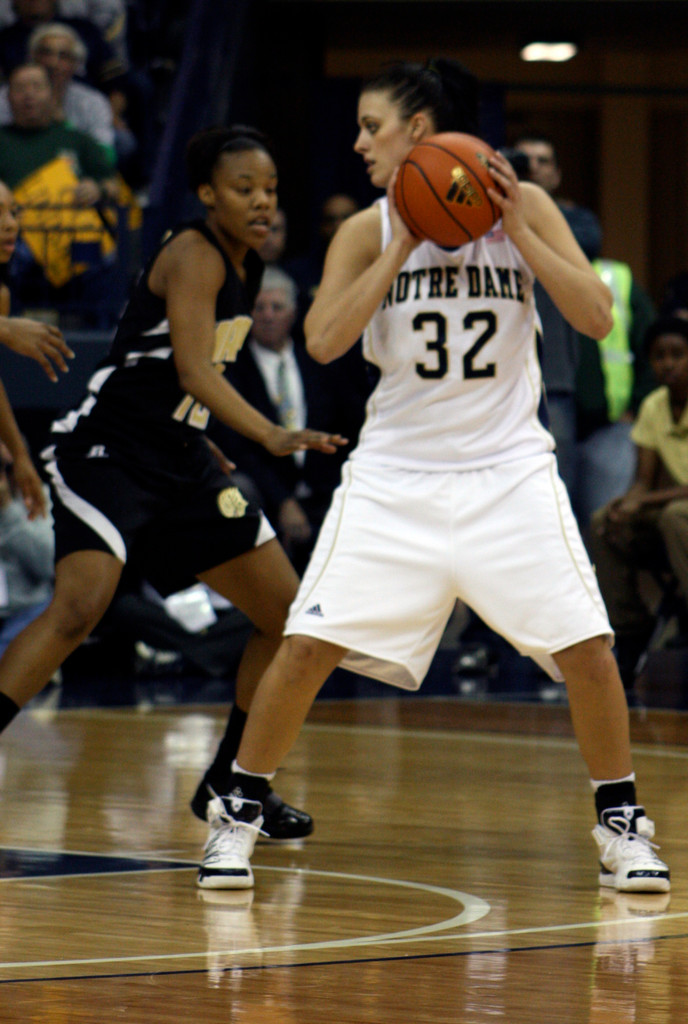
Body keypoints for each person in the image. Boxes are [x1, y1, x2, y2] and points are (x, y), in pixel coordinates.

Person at [193, 59, 670, 895]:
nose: (358, 141)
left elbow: (595, 316)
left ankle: (621, 824)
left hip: (508, 470)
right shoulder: (367, 229)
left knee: (589, 650)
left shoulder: (528, 207)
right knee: (306, 646)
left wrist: (518, 227)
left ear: (420, 130)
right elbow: (325, 340)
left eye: (372, 125)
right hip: (396, 475)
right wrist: (404, 241)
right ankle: (235, 816)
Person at [0, 125, 347, 845]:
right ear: (206, 195)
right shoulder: (194, 252)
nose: (262, 202)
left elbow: (186, 386)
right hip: (111, 450)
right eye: (244, 189)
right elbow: (194, 369)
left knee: (287, 617)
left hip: (180, 458)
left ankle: (232, 783)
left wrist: (208, 440)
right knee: (78, 609)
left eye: (271, 190)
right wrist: (268, 434)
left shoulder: (247, 266)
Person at [207, 266, 355, 575]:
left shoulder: (320, 361)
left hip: (324, 491)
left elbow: (347, 428)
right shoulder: (232, 370)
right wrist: (284, 500)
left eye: (277, 307)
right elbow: (237, 447)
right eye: (259, 308)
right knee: (233, 490)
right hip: (265, 494)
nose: (268, 315)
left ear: (293, 312)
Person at [589, 316, 688, 691]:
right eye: (659, 356)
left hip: (679, 515)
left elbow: (657, 495)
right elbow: (643, 481)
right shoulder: (653, 406)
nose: (668, 363)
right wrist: (625, 504)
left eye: (678, 354)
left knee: (676, 515)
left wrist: (646, 500)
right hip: (672, 518)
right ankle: (631, 627)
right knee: (603, 520)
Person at [512, 133, 602, 503]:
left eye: (543, 160)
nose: (533, 166)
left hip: (555, 379)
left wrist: (529, 214)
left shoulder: (576, 221)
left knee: (558, 492)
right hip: (502, 382)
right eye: (524, 159)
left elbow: (586, 246)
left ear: (557, 175)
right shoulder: (483, 216)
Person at [574, 257, 657, 535]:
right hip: (547, 428)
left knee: (604, 526)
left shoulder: (615, 278)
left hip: (612, 427)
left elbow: (654, 347)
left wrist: (635, 407)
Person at [0, 22, 117, 155]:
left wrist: (63, 126)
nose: (53, 63)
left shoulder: (92, 102)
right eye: (46, 53)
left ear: (76, 64)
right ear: (31, 57)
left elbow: (106, 156)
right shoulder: (6, 97)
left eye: (64, 56)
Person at [0, 439, 54, 655]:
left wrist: (7, 510)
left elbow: (48, 566)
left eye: (7, 467)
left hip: (26, 611)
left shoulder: (38, 498)